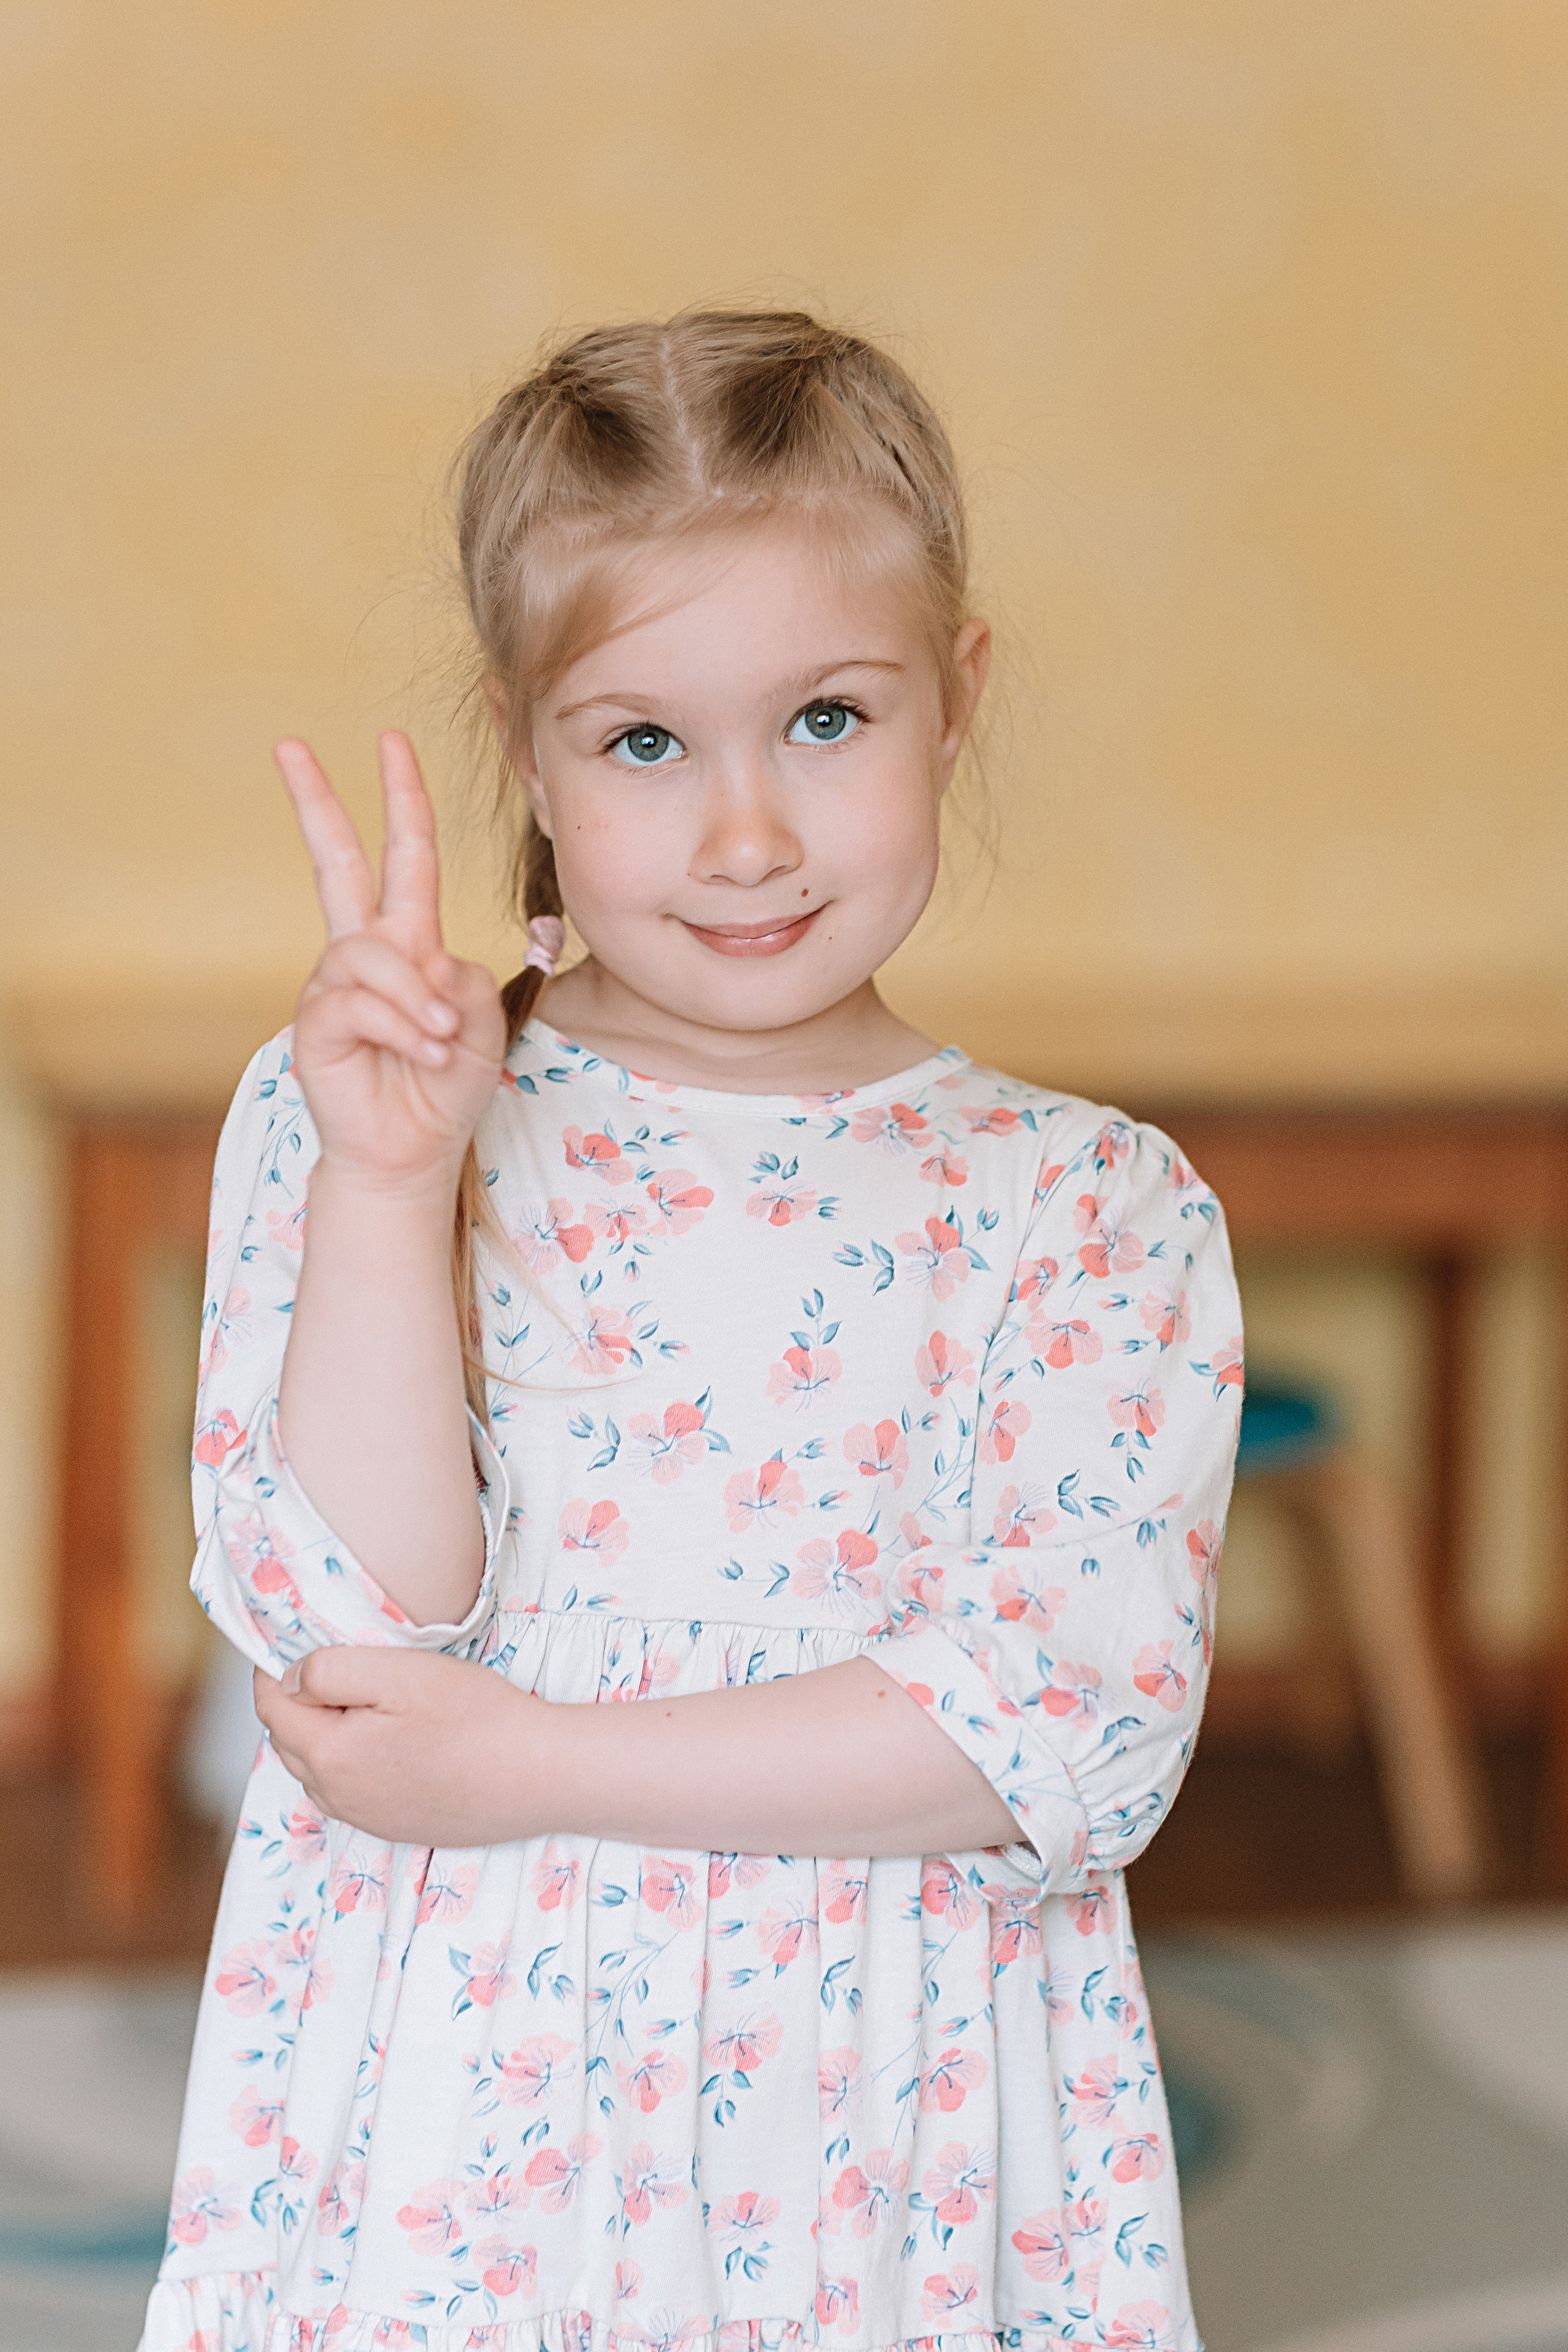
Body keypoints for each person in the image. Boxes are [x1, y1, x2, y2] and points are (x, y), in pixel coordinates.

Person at [141, 312, 1242, 2352]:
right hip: (464, 2104)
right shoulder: (370, 1112)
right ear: (531, 748)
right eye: (645, 741)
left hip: (876, 2146)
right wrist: (394, 1188)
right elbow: (347, 1629)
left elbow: (1057, 1727)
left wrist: (538, 1760)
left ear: (955, 697)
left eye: (826, 718)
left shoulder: (1091, 1209)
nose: (745, 834)